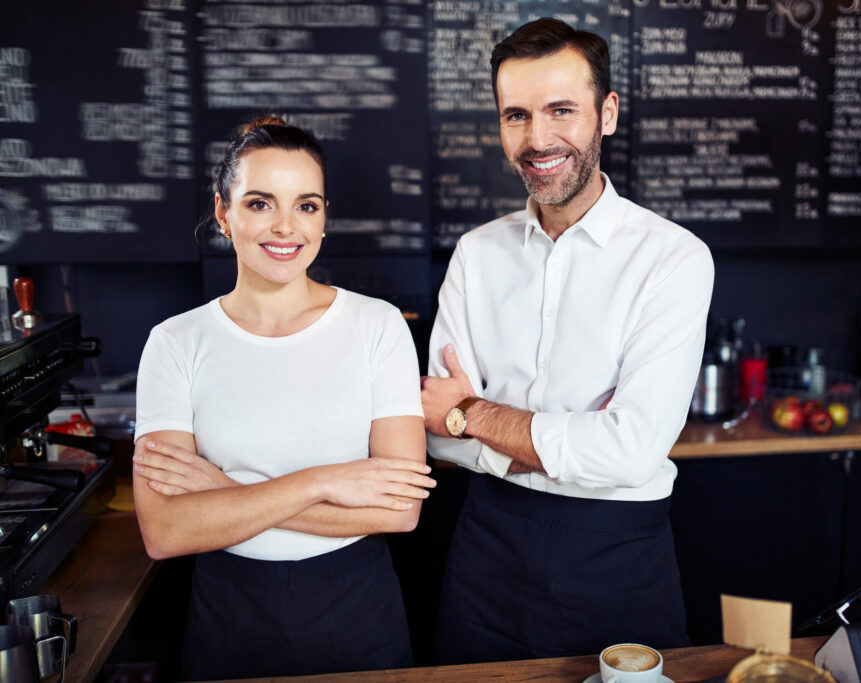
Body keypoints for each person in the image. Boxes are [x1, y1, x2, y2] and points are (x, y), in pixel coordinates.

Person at [420, 18, 715, 664]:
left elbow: (631, 451)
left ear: (606, 113)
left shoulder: (673, 259)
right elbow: (434, 431)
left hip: (617, 560)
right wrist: (571, 442)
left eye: (561, 110)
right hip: (483, 558)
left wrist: (474, 413)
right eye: (516, 115)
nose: (538, 138)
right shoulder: (475, 255)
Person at [131, 116, 435, 680]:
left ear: (324, 218)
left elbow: (400, 510)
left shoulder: (378, 325)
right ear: (224, 213)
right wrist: (324, 481)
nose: (286, 228)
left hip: (357, 608)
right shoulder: (176, 342)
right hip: (228, 612)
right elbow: (166, 532)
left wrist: (222, 492)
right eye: (260, 203)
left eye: (307, 205)